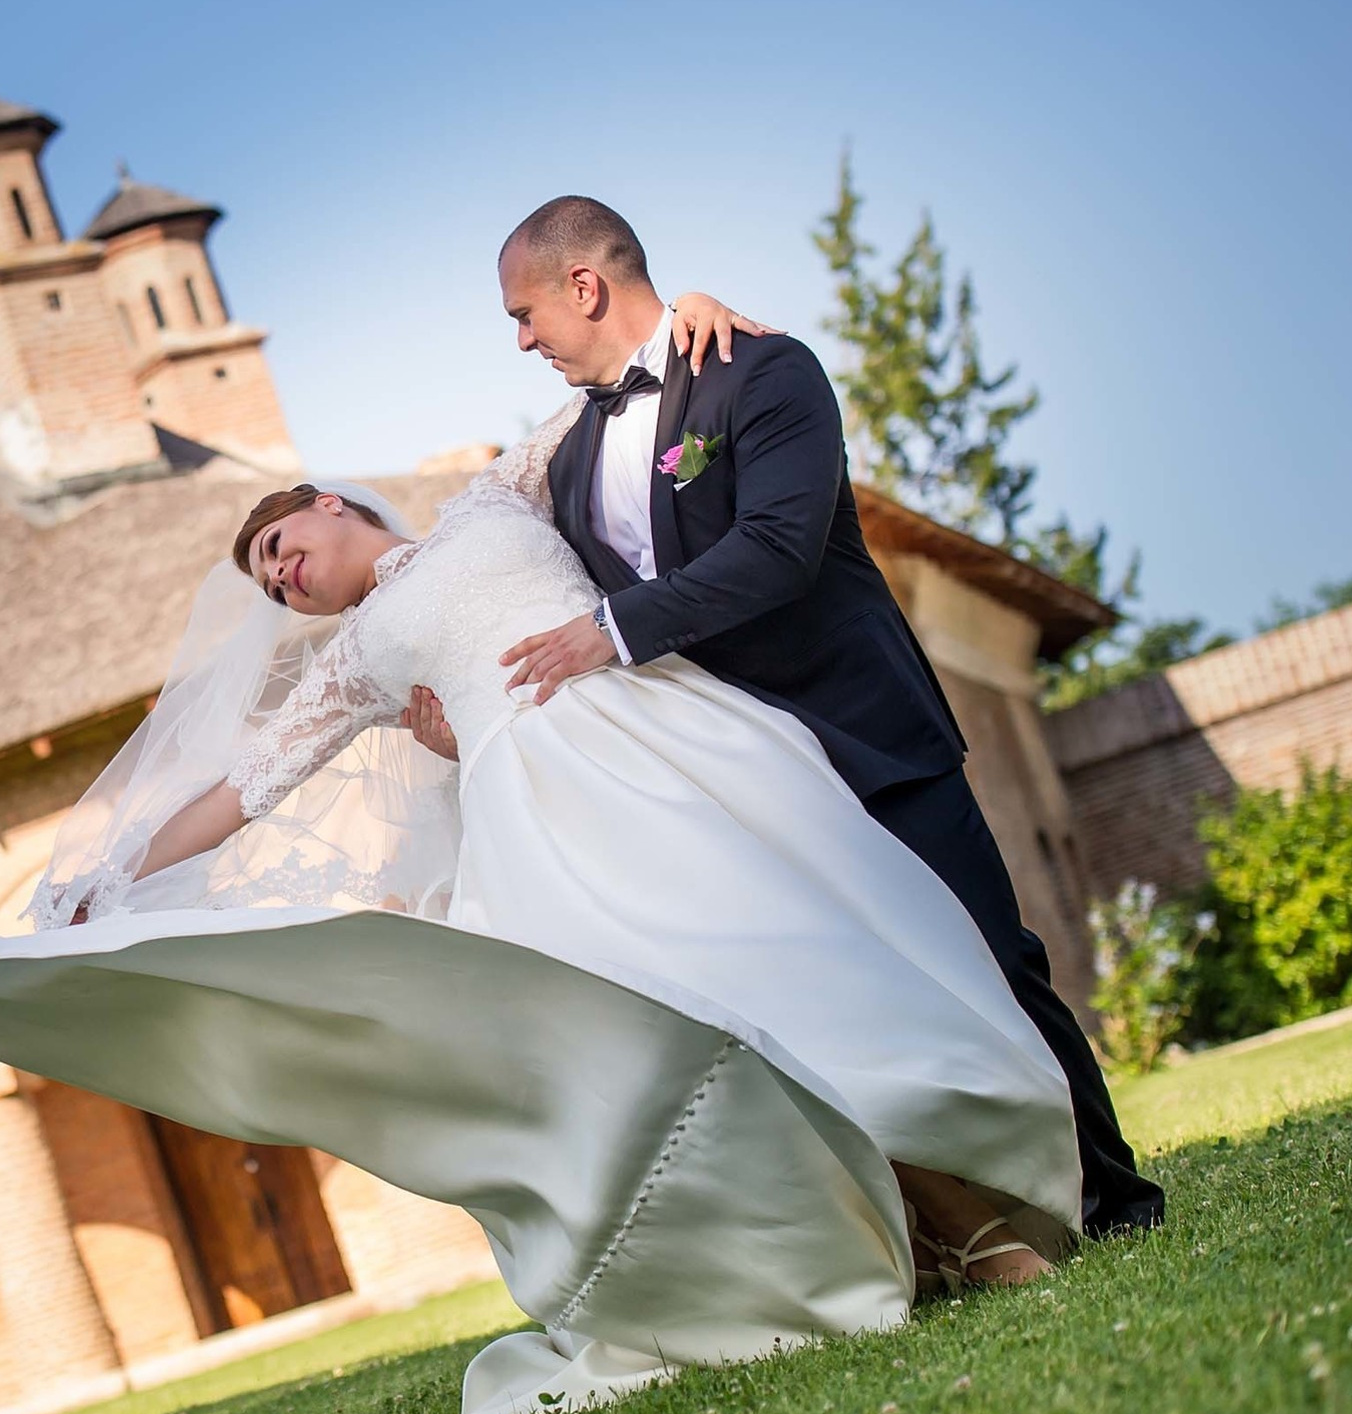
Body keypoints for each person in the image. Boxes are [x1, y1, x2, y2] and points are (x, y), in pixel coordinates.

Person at [0, 336, 1082, 1414]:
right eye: (270, 581)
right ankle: (887, 1249)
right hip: (539, 832)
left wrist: (694, 307)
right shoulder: (361, 661)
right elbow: (239, 787)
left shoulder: (493, 502)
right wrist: (113, 868)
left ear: (329, 505)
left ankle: (971, 1221)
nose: (283, 576)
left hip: (672, 760)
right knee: (691, 1048)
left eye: (281, 545)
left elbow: (602, 392)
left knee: (796, 980)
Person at [470, 196, 1160, 1240]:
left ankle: (1112, 1198)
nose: (522, 339)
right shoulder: (567, 457)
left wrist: (611, 630)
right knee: (833, 1009)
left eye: (526, 313)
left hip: (860, 732)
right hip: (735, 784)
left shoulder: (764, 370)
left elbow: (779, 547)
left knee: (991, 962)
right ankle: (944, 1235)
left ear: (585, 287)